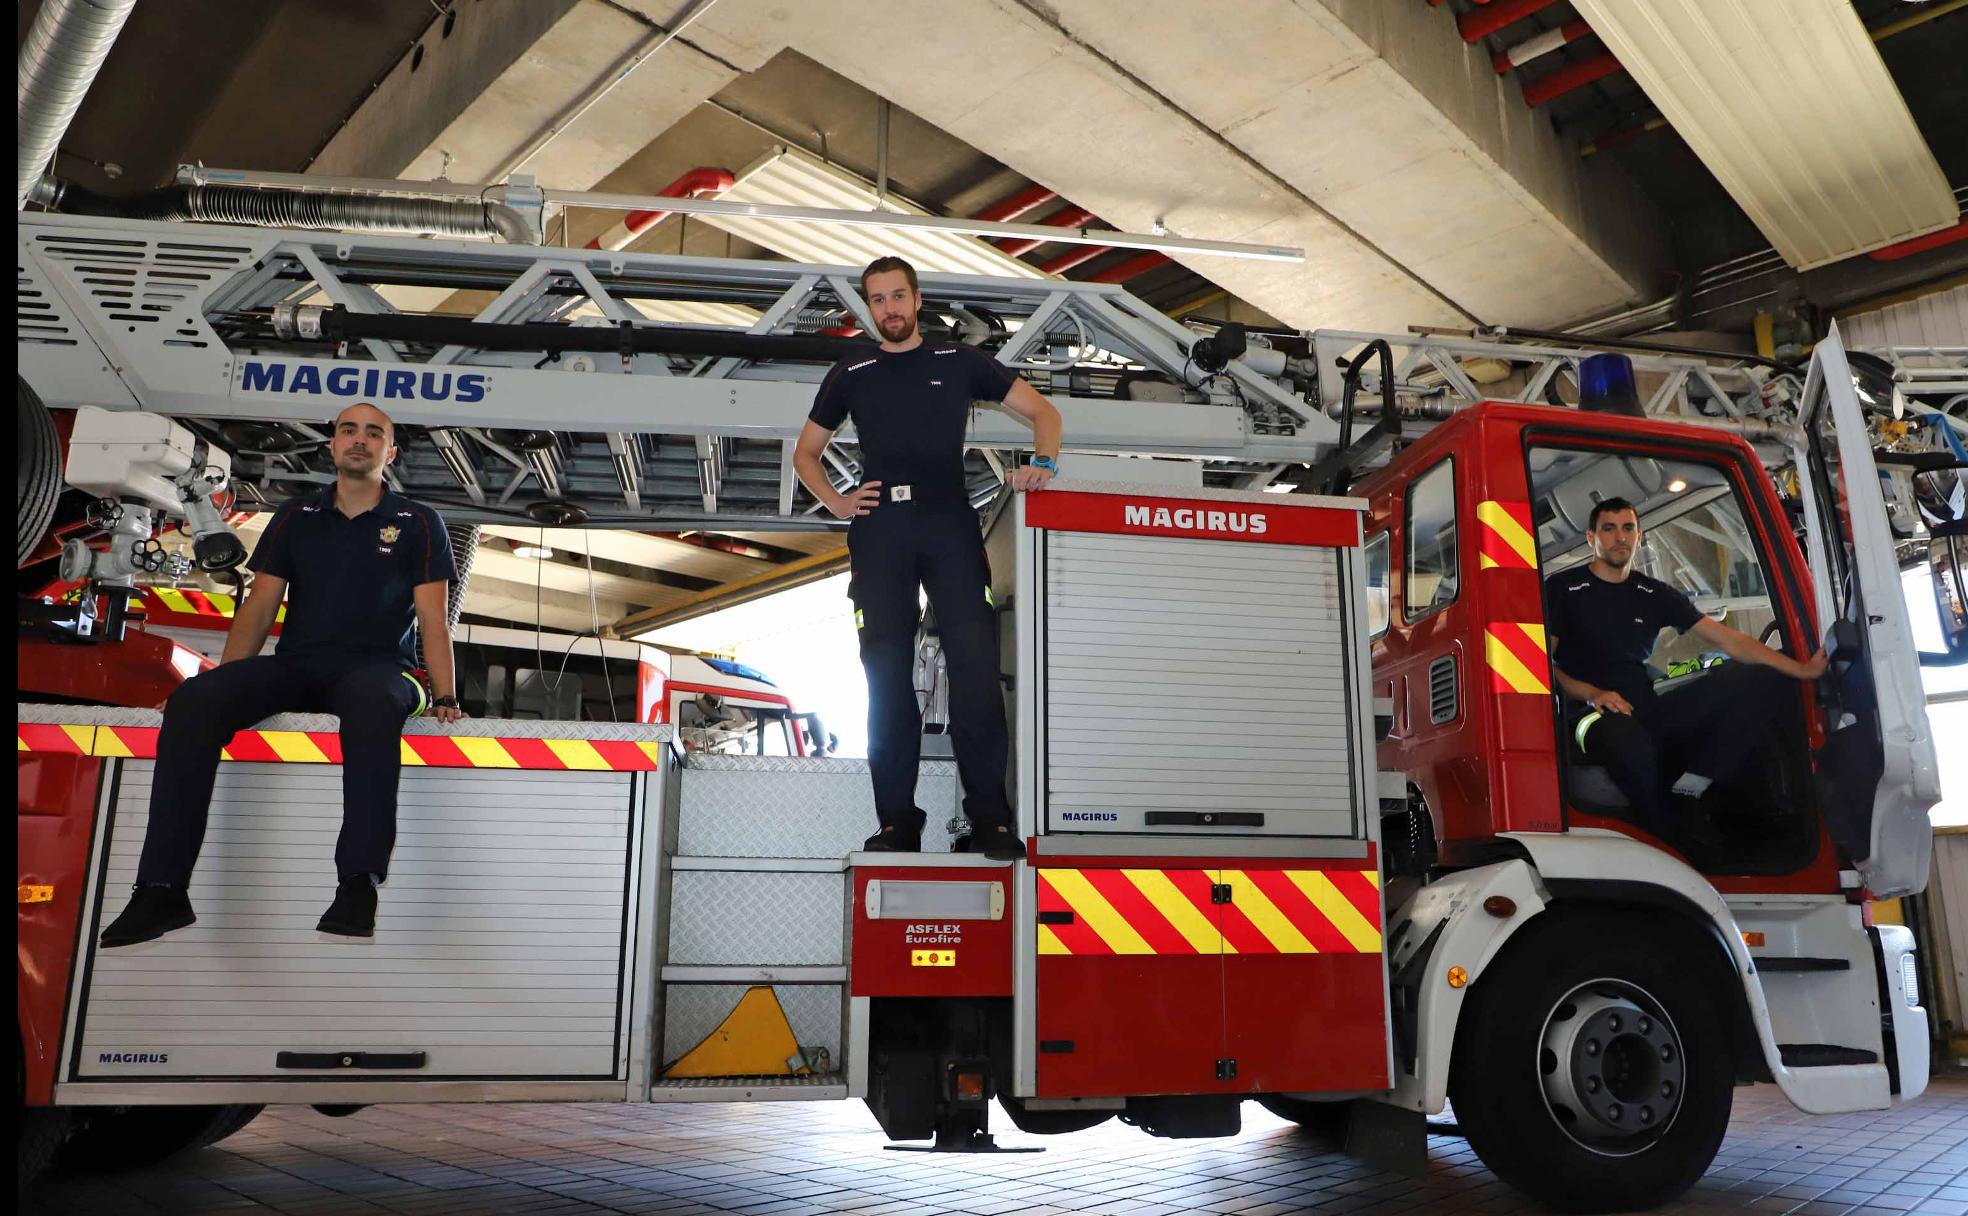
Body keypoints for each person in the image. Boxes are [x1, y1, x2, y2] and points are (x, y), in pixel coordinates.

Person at [100, 402, 465, 947]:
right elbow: (259, 607)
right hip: (300, 665)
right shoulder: (297, 517)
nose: (359, 440)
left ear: (390, 453)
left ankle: (357, 883)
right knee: (194, 703)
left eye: (374, 433)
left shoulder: (417, 522)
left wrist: (447, 695)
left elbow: (435, 620)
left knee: (370, 702)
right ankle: (162, 890)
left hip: (386, 669)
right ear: (332, 446)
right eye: (348, 430)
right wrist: (218, 687)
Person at [793, 256, 1063, 861]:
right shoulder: (851, 370)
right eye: (878, 300)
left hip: (949, 523)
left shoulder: (958, 362)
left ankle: (990, 820)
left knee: (974, 669)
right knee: (886, 680)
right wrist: (838, 502)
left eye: (898, 297)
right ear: (870, 308)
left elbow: (1045, 413)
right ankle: (897, 824)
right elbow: (806, 453)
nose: (889, 308)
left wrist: (1043, 463)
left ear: (917, 301)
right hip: (881, 529)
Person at [1546, 497, 1827, 838]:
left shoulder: (1652, 593)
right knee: (1628, 741)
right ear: (1591, 538)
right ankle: (1665, 840)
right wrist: (1592, 694)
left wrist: (1801, 669)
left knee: (1765, 678)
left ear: (1639, 536)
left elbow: (1731, 642)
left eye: (1627, 528)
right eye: (1609, 529)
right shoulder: (1564, 589)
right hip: (1586, 715)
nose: (1619, 537)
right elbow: (1543, 664)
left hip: (1643, 707)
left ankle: (1696, 782)